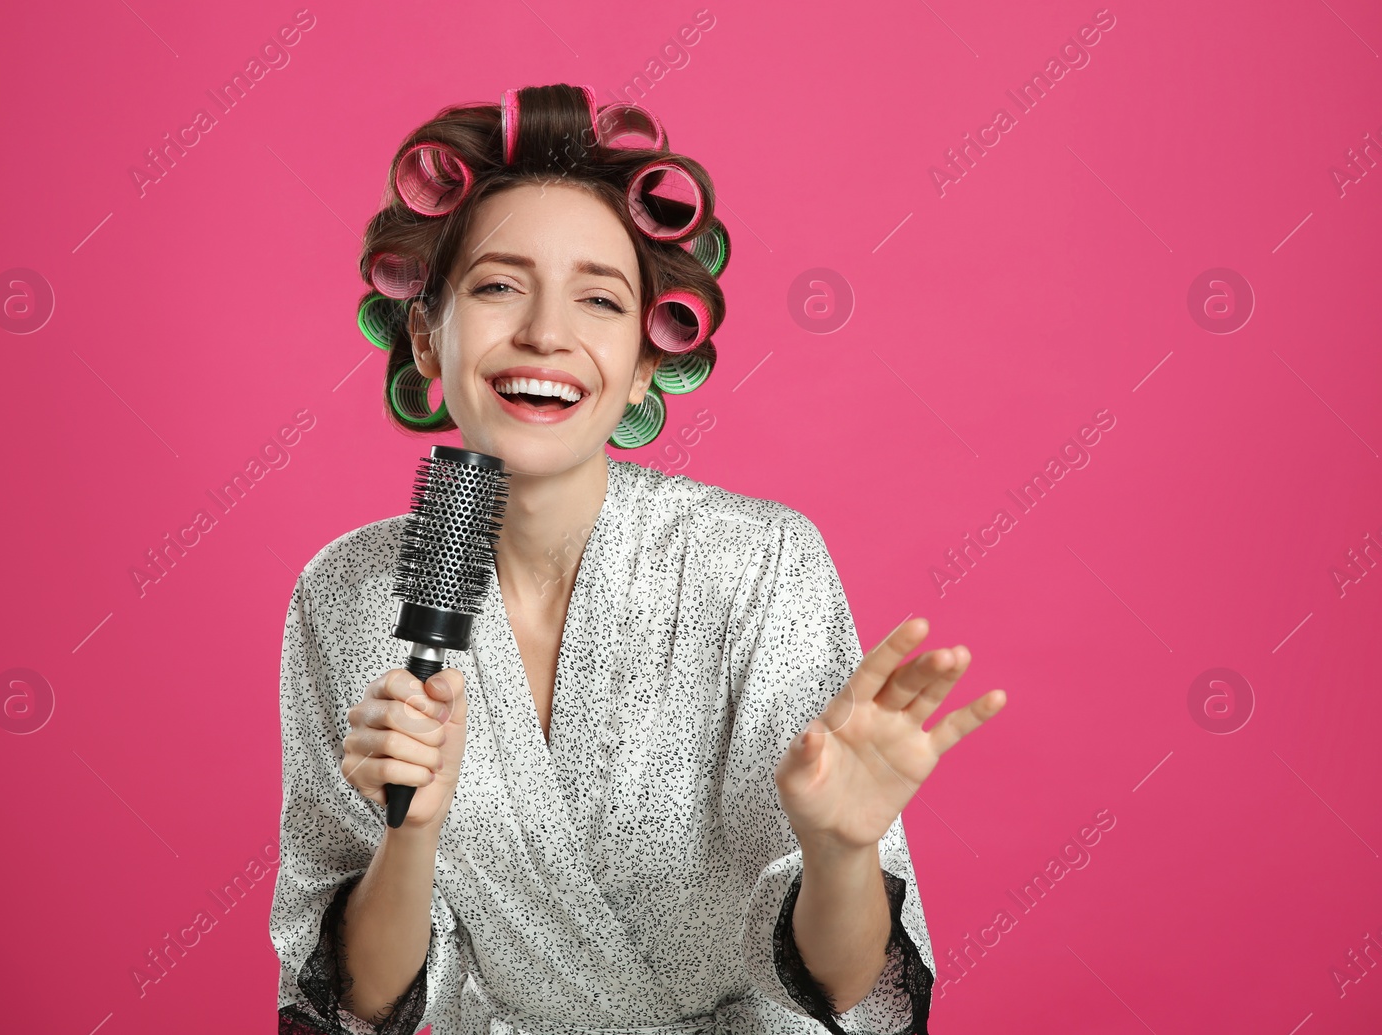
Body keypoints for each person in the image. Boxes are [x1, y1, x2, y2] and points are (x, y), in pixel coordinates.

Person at [269, 83, 1006, 1035]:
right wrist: (409, 836)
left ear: (648, 356)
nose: (544, 332)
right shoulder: (348, 593)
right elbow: (358, 1007)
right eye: (498, 286)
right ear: (425, 331)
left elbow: (847, 990)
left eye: (600, 299)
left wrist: (838, 852)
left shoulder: (763, 565)